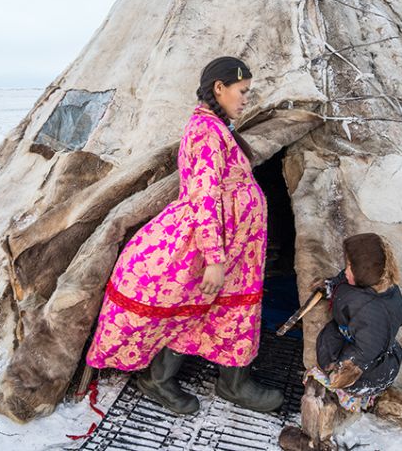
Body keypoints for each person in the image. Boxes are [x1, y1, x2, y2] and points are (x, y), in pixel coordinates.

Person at [85, 56, 283, 415]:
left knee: (224, 310)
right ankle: (158, 379)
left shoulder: (216, 127)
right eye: (242, 91)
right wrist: (214, 258)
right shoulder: (206, 132)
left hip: (235, 244)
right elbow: (204, 198)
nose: (246, 99)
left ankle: (232, 383)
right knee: (187, 308)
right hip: (212, 242)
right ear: (219, 88)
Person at [279, 233, 402, 451]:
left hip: (365, 371)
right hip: (354, 342)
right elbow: (344, 282)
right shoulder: (368, 284)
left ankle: (315, 436)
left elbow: (367, 350)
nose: (346, 270)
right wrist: (332, 285)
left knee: (317, 380)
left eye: (350, 267)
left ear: (364, 272)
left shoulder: (374, 312)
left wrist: (346, 368)